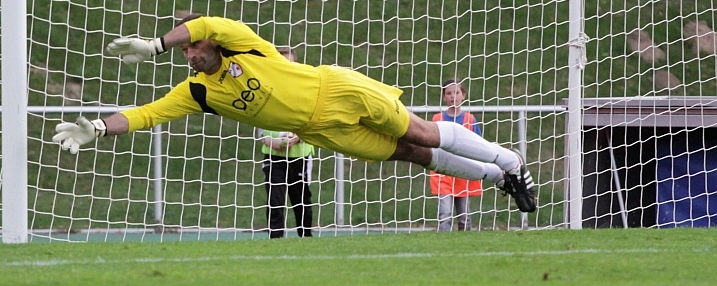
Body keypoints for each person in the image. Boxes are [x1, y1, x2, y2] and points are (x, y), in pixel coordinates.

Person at [53, 14, 538, 213]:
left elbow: (206, 21)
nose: (191, 54)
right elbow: (146, 114)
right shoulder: (198, 92)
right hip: (318, 129)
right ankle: (500, 179)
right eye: (185, 52)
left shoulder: (243, 44)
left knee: (423, 133)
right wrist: (99, 127)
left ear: (210, 42)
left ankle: (511, 161)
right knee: (410, 154)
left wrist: (155, 45)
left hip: (338, 90)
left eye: (193, 46)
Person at [258, 45, 314, 239]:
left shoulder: (306, 89)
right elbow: (259, 126)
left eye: (289, 63)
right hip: (273, 156)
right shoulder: (265, 91)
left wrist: (299, 136)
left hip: (300, 155)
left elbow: (314, 120)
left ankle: (305, 238)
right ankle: (275, 240)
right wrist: (271, 141)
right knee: (275, 200)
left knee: (301, 200)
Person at [430, 79, 482, 231]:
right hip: (443, 172)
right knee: (445, 213)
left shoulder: (470, 120)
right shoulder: (437, 119)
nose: (453, 96)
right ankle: (444, 241)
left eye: (456, 92)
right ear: (443, 97)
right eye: (448, 93)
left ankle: (464, 241)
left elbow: (479, 144)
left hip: (463, 171)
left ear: (463, 95)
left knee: (464, 215)